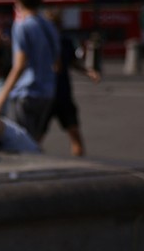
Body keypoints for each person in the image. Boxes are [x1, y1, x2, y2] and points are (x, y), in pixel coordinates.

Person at [0, 0, 60, 142]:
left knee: (18, 141)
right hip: (47, 91)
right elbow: (57, 59)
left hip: (26, 92)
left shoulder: (21, 26)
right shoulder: (48, 25)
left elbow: (19, 65)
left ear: (17, 0)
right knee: (33, 140)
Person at [39, 8, 101, 157]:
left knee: (74, 133)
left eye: (56, 25)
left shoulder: (65, 42)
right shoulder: (42, 44)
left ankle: (79, 166)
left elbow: (72, 63)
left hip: (63, 95)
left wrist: (88, 72)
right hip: (46, 95)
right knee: (36, 137)